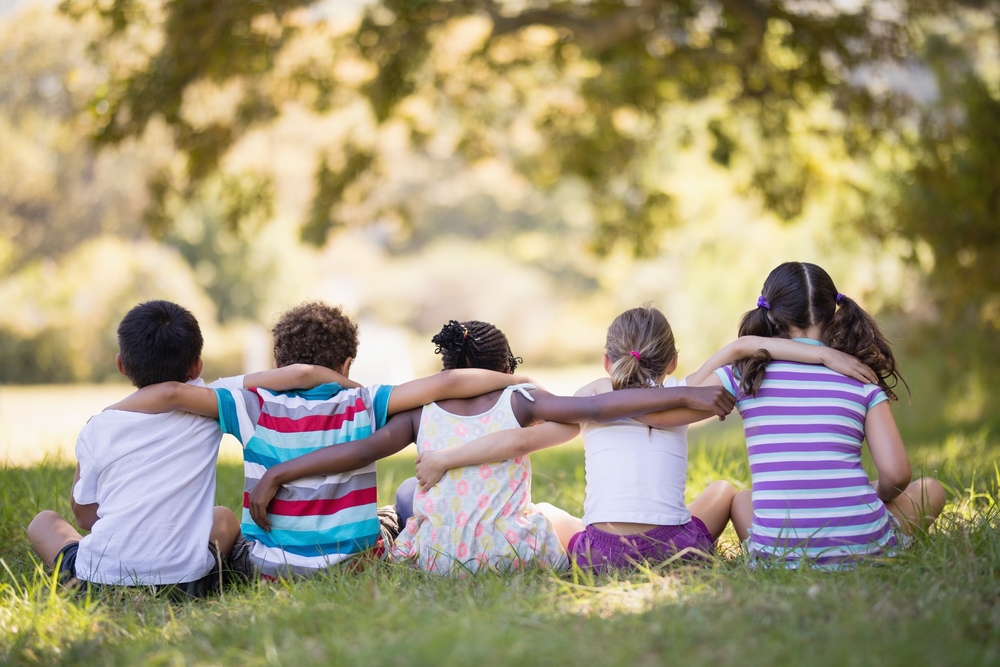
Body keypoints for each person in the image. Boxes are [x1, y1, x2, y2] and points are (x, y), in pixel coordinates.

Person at [244, 319, 739, 575]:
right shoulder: (521, 398)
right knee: (546, 514)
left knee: (405, 504)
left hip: (439, 554)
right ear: (502, 366)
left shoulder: (420, 411)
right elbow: (596, 411)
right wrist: (689, 390)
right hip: (508, 551)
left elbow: (360, 452)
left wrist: (280, 473)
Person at [413, 305, 877, 573]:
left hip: (601, 556)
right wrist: (827, 358)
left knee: (549, 513)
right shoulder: (689, 396)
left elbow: (516, 444)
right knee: (722, 492)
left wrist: (447, 456)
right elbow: (749, 349)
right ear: (672, 361)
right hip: (678, 550)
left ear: (605, 361)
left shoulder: (589, 398)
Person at [108, 302, 546, 579]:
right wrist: (516, 378)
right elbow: (448, 380)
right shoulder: (365, 400)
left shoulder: (248, 405)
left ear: (277, 362)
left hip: (269, 563)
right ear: (348, 363)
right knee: (395, 514)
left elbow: (171, 395)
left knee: (227, 526)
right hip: (351, 562)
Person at [25, 300, 346, 598]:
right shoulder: (211, 401)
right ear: (196, 366)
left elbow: (84, 516)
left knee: (44, 522)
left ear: (121, 365)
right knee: (223, 518)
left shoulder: (98, 427)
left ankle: (93, 576)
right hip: (189, 583)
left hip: (97, 579)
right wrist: (356, 390)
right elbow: (300, 374)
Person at [708, 262, 946, 568]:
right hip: (866, 546)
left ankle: (777, 556)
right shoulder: (860, 376)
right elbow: (897, 476)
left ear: (770, 315)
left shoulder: (745, 374)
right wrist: (874, 492)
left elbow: (685, 390)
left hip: (777, 554)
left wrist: (743, 347)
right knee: (931, 490)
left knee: (743, 499)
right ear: (833, 312)